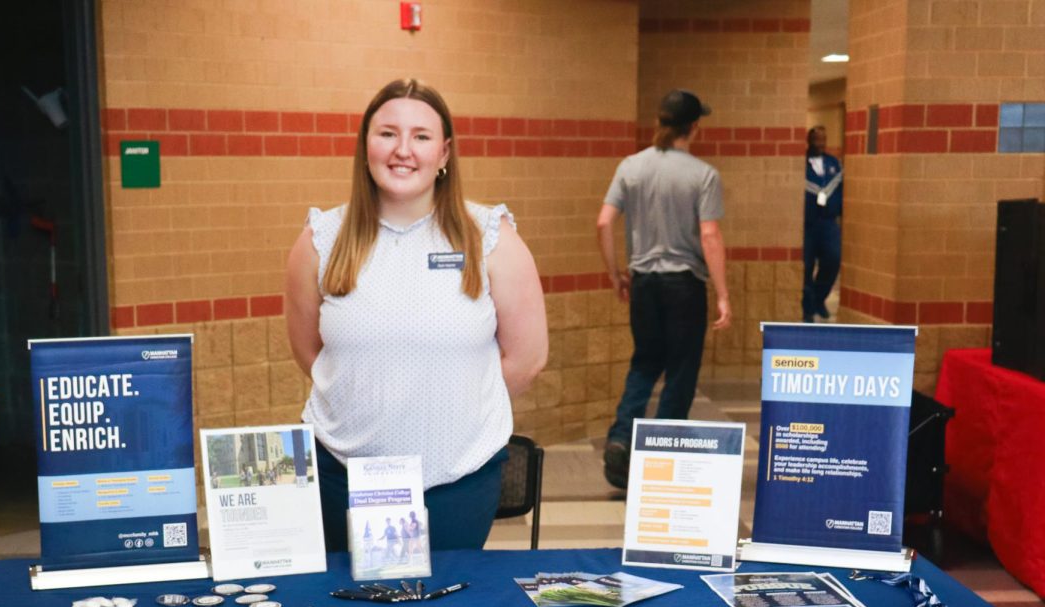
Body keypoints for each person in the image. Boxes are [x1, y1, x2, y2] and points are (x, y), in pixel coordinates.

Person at [286, 78, 548, 550]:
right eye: (387, 133)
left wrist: (454, 401)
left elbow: (527, 359)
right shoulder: (320, 239)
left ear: (444, 152)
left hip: (456, 479)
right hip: (341, 476)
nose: (402, 150)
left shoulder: (490, 237)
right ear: (365, 144)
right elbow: (309, 352)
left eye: (421, 137)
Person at [596, 89, 731, 490]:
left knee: (645, 363)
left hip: (644, 284)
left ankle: (621, 440)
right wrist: (722, 294)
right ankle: (661, 454)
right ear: (694, 127)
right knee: (682, 370)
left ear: (660, 122)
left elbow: (604, 222)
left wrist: (615, 273)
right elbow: (709, 236)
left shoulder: (631, 167)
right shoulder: (703, 174)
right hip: (684, 286)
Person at [802, 125, 842, 323]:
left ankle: (820, 298)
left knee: (833, 260)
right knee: (806, 266)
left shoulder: (833, 163)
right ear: (810, 140)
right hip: (808, 224)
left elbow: (841, 189)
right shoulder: (801, 164)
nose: (821, 143)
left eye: (824, 139)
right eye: (817, 139)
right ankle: (807, 307)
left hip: (828, 223)